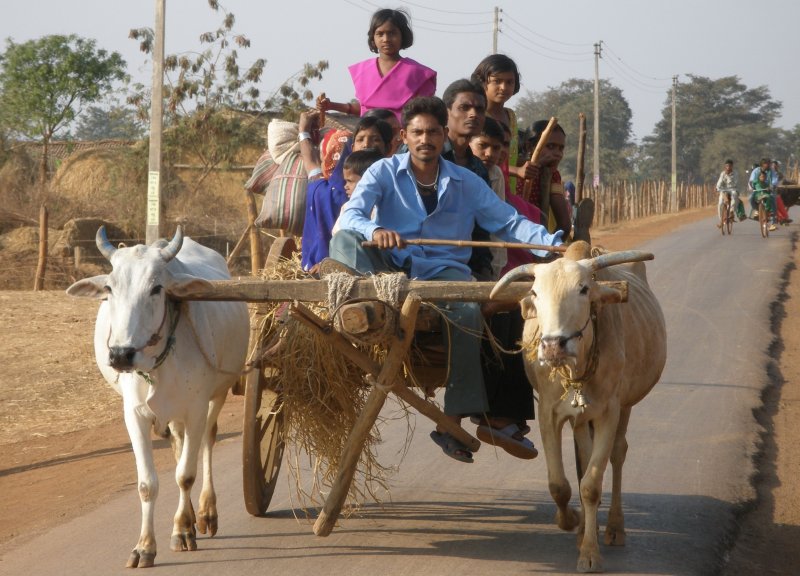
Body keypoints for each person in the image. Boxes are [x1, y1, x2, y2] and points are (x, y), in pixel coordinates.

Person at [327, 96, 563, 463]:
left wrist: (554, 244)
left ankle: (451, 420)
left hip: (443, 271)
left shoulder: (465, 181)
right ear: (404, 136)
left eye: (433, 132)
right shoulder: (383, 172)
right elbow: (352, 213)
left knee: (469, 313)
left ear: (444, 137)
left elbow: (508, 222)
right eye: (417, 132)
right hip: (388, 269)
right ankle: (368, 302)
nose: (426, 139)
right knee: (344, 240)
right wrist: (377, 230)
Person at [299, 112, 393, 271]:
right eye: (360, 139)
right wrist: (303, 132)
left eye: (375, 139)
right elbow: (312, 166)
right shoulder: (329, 189)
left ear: (389, 147)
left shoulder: (395, 185)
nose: (366, 145)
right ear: (352, 146)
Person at [316, 8, 436, 122]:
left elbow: (423, 113)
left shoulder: (418, 73)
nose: (386, 39)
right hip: (369, 135)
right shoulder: (362, 71)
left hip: (403, 138)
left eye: (392, 33)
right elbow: (365, 110)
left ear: (402, 35)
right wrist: (331, 105)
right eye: (380, 34)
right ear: (373, 37)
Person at [505, 120, 571, 274]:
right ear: (530, 147)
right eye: (550, 146)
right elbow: (565, 225)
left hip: (536, 243)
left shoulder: (552, 175)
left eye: (561, 148)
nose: (557, 153)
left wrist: (546, 249)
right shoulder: (514, 169)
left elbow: (565, 225)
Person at [471, 54, 530, 195]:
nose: (503, 87)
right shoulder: (478, 116)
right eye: (497, 81)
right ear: (482, 81)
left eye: (509, 82)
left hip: (508, 189)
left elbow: (510, 155)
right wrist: (517, 171)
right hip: (484, 186)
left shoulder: (511, 116)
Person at [469, 116, 508, 279]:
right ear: (469, 143)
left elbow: (499, 219)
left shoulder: (496, 174)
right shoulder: (457, 168)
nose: (490, 154)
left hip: (488, 253)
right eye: (482, 145)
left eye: (496, 148)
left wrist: (493, 264)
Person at [331, 148, 386, 236]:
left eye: (350, 181)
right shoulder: (348, 208)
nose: (345, 186)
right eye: (345, 181)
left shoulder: (386, 207)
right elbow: (339, 237)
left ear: (369, 180)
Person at [748, 157, 777, 228]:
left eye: (769, 164)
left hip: (768, 189)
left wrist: (772, 186)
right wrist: (751, 187)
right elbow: (751, 180)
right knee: (751, 198)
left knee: (772, 198)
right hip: (758, 189)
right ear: (762, 164)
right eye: (766, 164)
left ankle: (773, 219)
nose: (768, 165)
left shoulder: (771, 171)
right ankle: (757, 210)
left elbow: (774, 179)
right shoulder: (756, 171)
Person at [715, 159, 742, 226]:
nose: (728, 168)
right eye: (727, 166)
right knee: (720, 203)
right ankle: (721, 220)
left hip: (733, 189)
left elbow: (735, 183)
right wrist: (717, 188)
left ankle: (731, 212)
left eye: (729, 166)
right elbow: (719, 183)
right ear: (725, 166)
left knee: (735, 195)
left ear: (732, 166)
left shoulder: (735, 173)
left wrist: (728, 177)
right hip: (724, 190)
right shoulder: (722, 173)